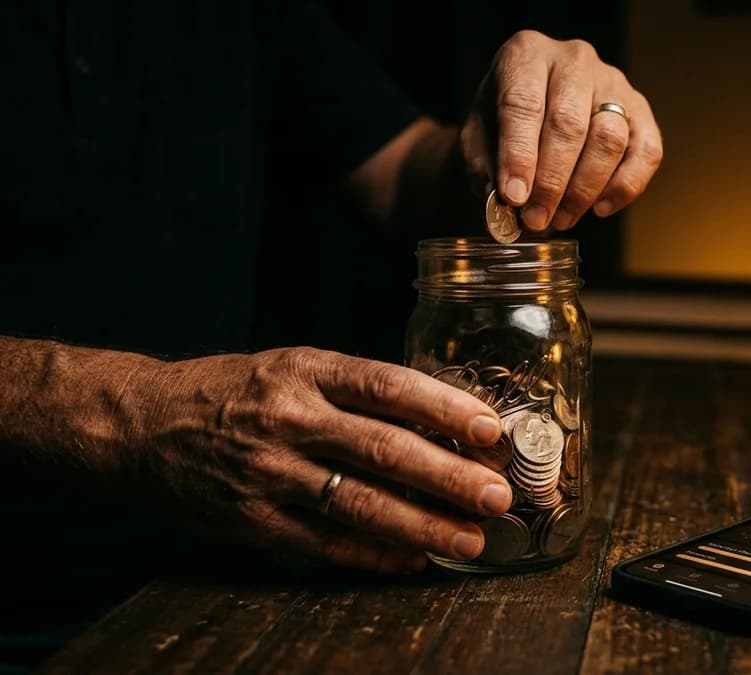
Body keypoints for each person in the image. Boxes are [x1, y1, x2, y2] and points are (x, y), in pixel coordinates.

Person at [0, 0, 662, 659]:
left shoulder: (239, 15)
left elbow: (400, 169)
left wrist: (502, 146)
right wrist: (130, 411)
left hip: (215, 582)